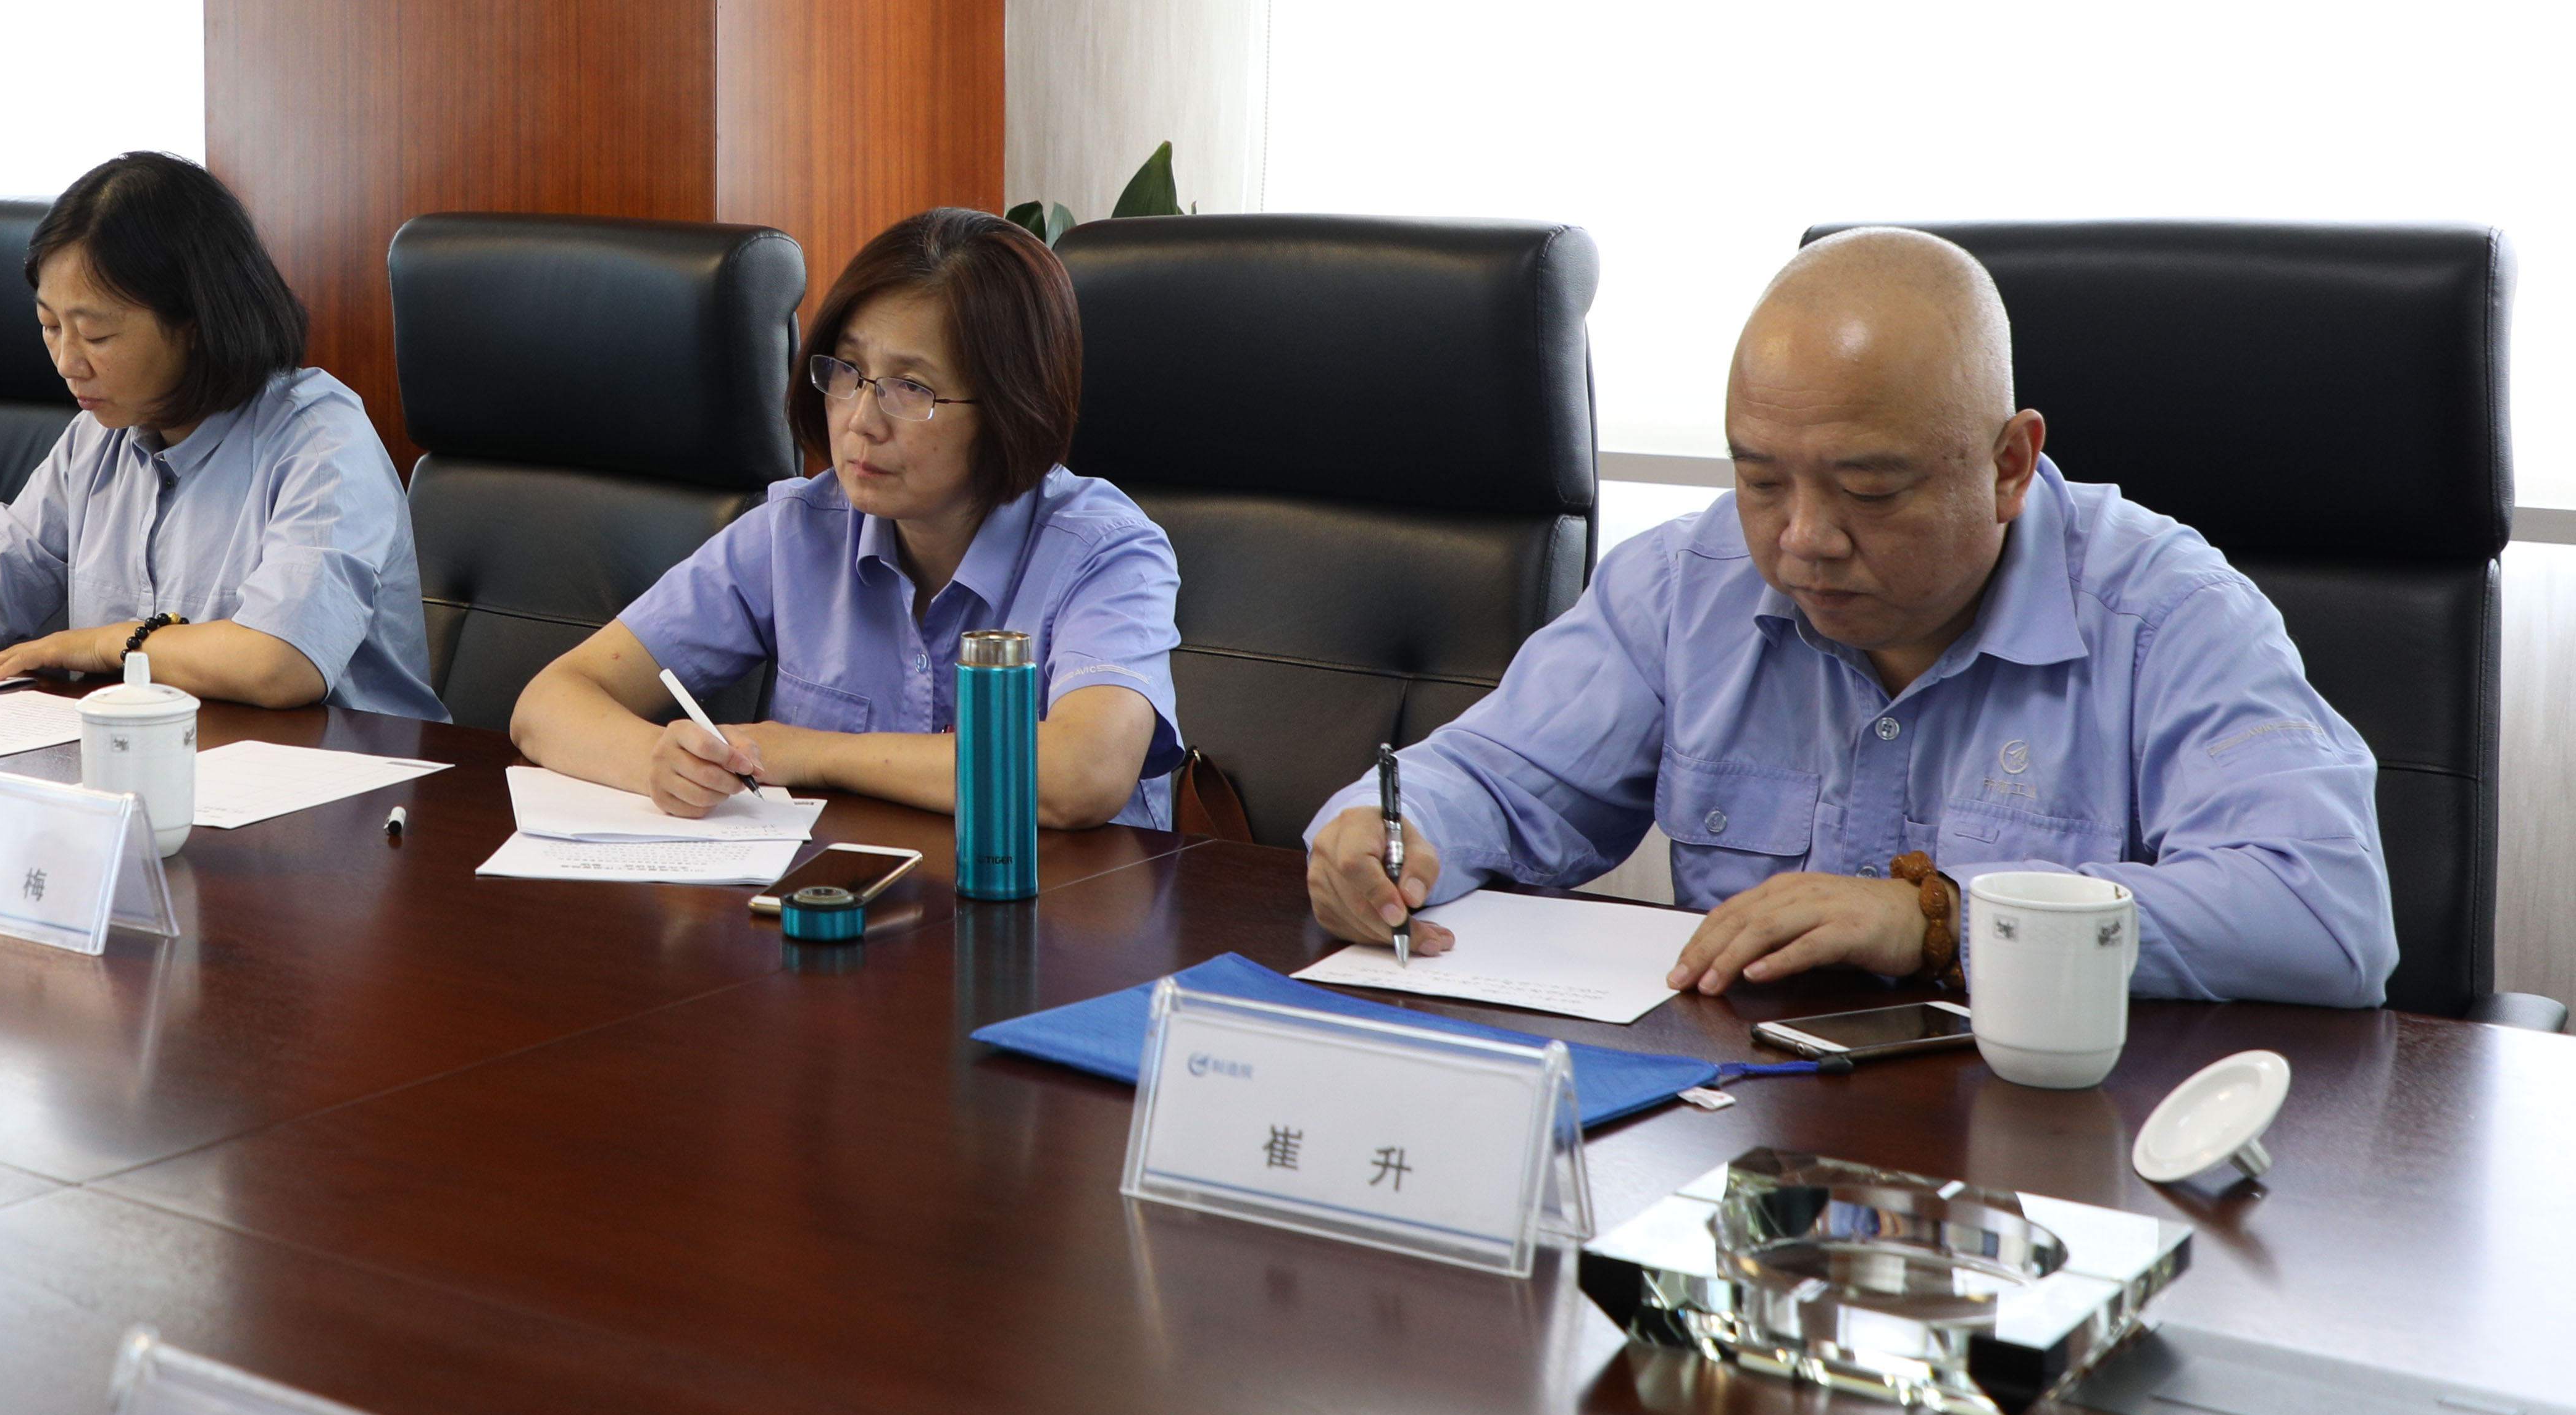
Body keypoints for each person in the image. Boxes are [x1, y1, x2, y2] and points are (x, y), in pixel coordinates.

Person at [1304, 227, 2396, 1008]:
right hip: (1747, 1127)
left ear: (2010, 465)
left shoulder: (2164, 613)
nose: (1802, 541)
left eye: (1868, 489)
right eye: (1760, 480)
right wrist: (1382, 837)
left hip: (2045, 1154)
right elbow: (1493, 781)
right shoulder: (1686, 584)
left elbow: (2325, 912)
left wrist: (1947, 920)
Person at [511, 207, 1185, 829]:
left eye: (909, 387)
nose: (860, 420)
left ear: (1013, 408)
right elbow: (548, 703)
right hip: (845, 903)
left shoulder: (1105, 551)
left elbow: (1082, 773)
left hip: (1060, 908)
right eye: (849, 371)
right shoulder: (798, 531)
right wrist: (659, 763)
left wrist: (811, 753)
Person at [0, 151, 441, 717]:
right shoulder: (98, 438)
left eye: (96, 335)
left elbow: (279, 663)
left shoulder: (321, 442)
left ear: (195, 322)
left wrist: (102, 645)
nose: (67, 362)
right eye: (50, 327)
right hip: (151, 762)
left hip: (339, 775)